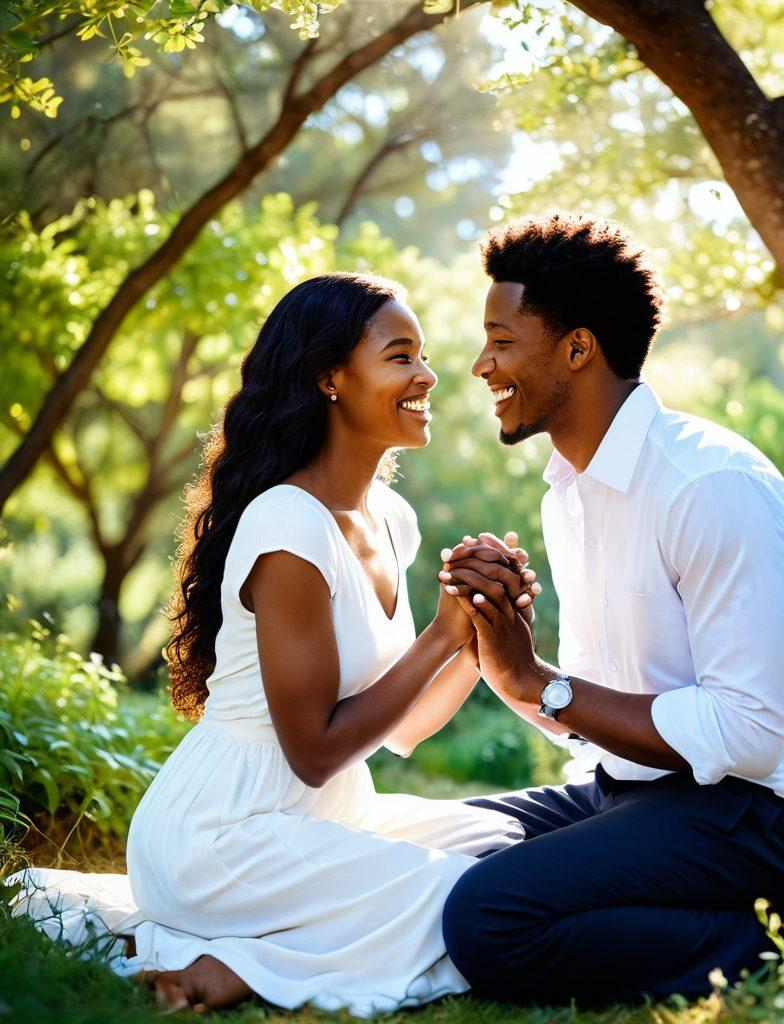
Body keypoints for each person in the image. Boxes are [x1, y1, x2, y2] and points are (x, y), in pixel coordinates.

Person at [8, 272, 538, 1017]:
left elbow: (407, 729)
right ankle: (232, 968)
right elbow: (314, 752)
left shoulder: (392, 517)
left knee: (507, 849)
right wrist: (440, 635)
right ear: (329, 378)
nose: (427, 375)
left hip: (329, 815)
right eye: (400, 356)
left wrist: (482, 627)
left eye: (421, 356)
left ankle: (228, 951)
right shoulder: (288, 524)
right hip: (222, 835)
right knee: (465, 897)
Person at [438, 213, 784, 1006]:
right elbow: (605, 705)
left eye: (501, 341)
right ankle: (756, 914)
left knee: (486, 917)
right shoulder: (567, 494)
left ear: (578, 349)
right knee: (436, 851)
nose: (481, 365)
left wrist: (543, 684)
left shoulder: (708, 484)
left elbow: (746, 733)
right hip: (646, 790)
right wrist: (506, 664)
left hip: (775, 814)